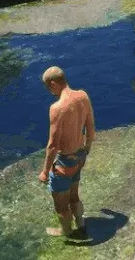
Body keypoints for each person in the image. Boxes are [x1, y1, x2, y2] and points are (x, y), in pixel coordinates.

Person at [39, 66, 96, 239]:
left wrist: (44, 171)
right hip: (80, 157)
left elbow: (52, 145)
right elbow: (90, 126)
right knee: (74, 196)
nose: (49, 91)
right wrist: (87, 148)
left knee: (61, 206)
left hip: (64, 163)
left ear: (53, 83)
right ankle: (81, 224)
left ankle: (68, 232)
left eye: (48, 87)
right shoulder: (82, 96)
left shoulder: (57, 108)